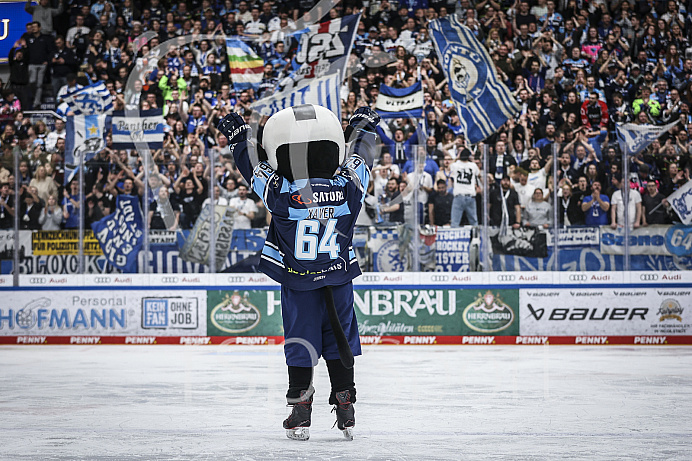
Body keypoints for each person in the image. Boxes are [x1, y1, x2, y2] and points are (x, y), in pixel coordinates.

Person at [217, 105, 381, 442]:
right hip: (338, 277)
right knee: (339, 340)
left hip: (299, 281)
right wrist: (362, 127)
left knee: (302, 343)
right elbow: (362, 158)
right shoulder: (349, 187)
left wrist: (238, 139)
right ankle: (345, 400)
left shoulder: (281, 193)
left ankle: (301, 407)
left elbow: (254, 169)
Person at [449, 148, 479, 226]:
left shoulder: (455, 165)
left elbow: (449, 167)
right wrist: (472, 159)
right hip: (470, 195)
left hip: (459, 195)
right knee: (474, 221)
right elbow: (478, 173)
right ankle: (476, 237)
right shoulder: (473, 165)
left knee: (455, 221)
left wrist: (456, 158)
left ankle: (454, 237)